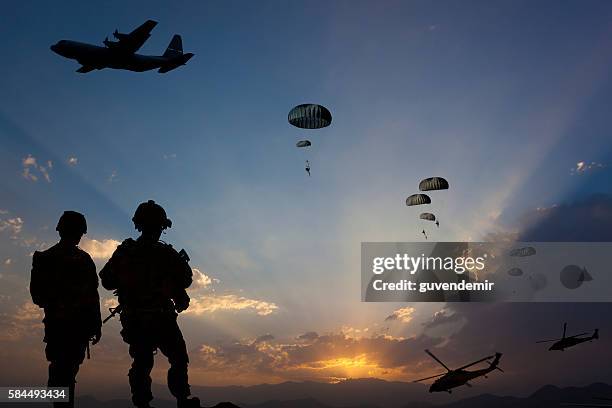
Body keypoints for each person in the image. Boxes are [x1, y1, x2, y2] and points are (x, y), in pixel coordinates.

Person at [100, 200, 199, 408]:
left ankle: (147, 402)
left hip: (142, 317)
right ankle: (179, 399)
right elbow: (186, 281)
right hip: (157, 317)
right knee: (172, 359)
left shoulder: (127, 252)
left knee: (146, 362)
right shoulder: (164, 254)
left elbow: (107, 281)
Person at [30, 211, 102, 408]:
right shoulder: (84, 260)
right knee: (66, 372)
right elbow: (93, 296)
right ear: (80, 232)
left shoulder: (45, 258)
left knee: (63, 372)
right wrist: (95, 323)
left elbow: (37, 296)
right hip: (72, 327)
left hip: (61, 326)